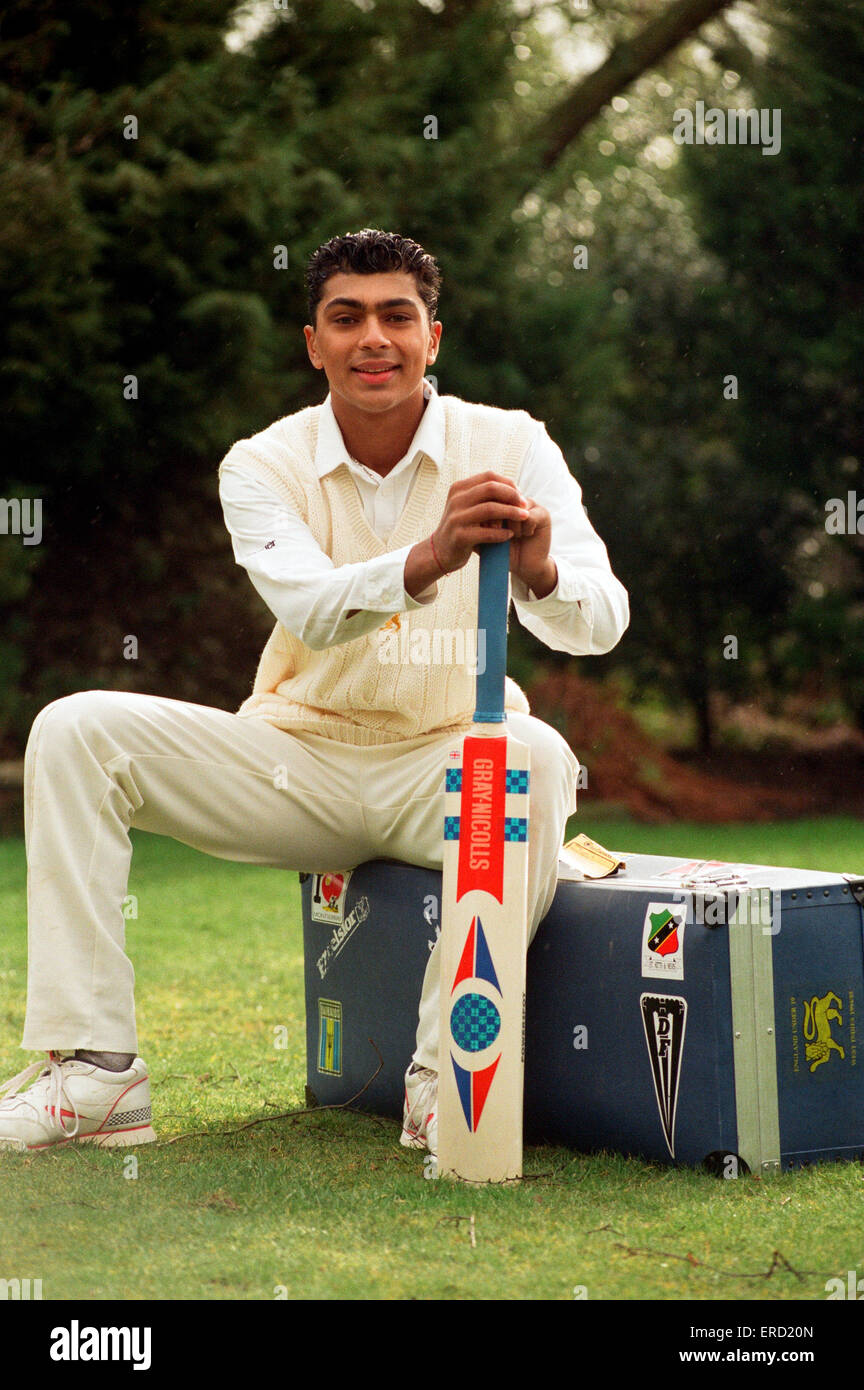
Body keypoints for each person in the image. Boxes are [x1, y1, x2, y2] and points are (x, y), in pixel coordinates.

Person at [0, 229, 628, 1154]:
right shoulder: (261, 463)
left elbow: (602, 620)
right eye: (347, 317)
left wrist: (538, 572)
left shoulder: (512, 442)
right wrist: (431, 556)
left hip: (447, 766)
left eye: (396, 316)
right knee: (75, 728)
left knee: (531, 753)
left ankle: (444, 1083)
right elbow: (314, 606)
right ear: (314, 342)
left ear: (433, 338)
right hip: (296, 762)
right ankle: (96, 1075)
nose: (373, 337)